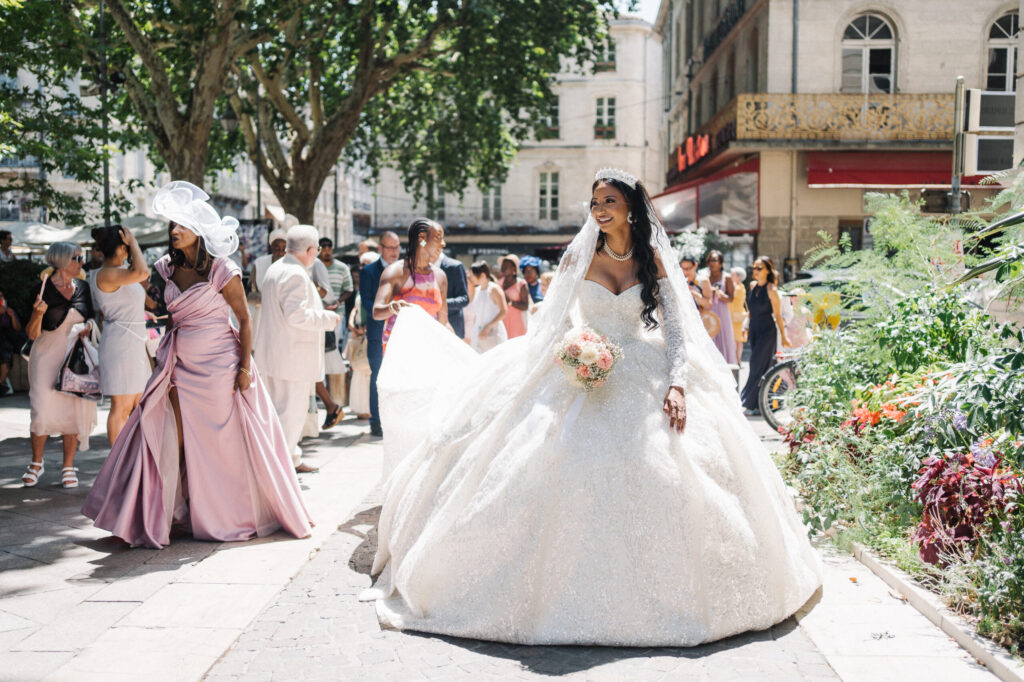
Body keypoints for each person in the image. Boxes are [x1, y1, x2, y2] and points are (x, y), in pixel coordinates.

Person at [364, 168, 820, 646]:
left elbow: (677, 329)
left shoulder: (653, 260)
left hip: (645, 367)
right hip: (582, 365)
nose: (599, 210)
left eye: (609, 201)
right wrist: (575, 351)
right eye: (595, 202)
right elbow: (554, 321)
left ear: (630, 207)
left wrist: (678, 383)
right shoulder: (578, 258)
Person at [82, 181, 312, 549]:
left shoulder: (222, 269)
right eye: (172, 224)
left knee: (218, 443)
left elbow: (245, 320)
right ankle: (172, 512)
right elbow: (173, 318)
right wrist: (163, 359)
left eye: (181, 225)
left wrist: (244, 368)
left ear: (199, 231)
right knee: (170, 437)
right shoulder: (166, 268)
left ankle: (226, 514)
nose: (174, 230)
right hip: (179, 364)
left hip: (221, 365)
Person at [256, 225, 341, 474]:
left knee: (281, 414)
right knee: (289, 416)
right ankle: (280, 470)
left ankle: (290, 459)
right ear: (311, 249)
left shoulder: (276, 269)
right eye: (316, 250)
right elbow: (296, 315)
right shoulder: (294, 273)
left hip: (277, 355)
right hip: (291, 358)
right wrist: (328, 319)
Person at [22, 242, 98, 489]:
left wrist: (88, 327)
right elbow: (31, 334)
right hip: (46, 355)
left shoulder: (83, 287)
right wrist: (37, 314)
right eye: (78, 258)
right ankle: (36, 463)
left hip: (74, 356)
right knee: (41, 408)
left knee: (72, 409)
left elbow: (91, 317)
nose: (82, 262)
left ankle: (68, 465)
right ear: (63, 261)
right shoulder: (40, 289)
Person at [88, 225, 152, 446]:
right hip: (121, 344)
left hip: (133, 340)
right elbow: (143, 273)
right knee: (121, 406)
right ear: (121, 248)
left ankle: (131, 455)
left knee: (136, 403)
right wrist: (134, 242)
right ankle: (117, 459)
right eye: (127, 247)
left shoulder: (120, 272)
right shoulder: (106, 273)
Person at [372, 219, 449, 353]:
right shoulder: (395, 272)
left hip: (431, 350)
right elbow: (376, 312)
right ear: (422, 238)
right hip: (401, 351)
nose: (443, 243)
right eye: (438, 237)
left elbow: (444, 322)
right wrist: (393, 307)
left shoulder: (440, 276)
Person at [360, 231, 400, 437]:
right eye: (390, 247)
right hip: (378, 332)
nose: (395, 251)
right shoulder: (368, 272)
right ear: (381, 248)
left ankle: (396, 419)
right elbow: (367, 301)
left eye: (397, 247)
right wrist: (386, 311)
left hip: (400, 332)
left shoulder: (404, 270)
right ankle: (376, 421)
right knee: (378, 376)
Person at [740, 256, 790, 416]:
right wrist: (745, 326)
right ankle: (765, 404)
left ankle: (752, 403)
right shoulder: (753, 286)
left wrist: (784, 337)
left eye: (759, 268)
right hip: (754, 330)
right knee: (762, 367)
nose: (755, 271)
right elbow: (750, 311)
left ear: (768, 270)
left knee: (755, 364)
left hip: (767, 332)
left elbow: (778, 315)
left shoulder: (771, 289)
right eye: (753, 268)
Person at [347, 252, 378, 419]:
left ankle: (369, 409)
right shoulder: (362, 286)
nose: (362, 267)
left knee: (367, 371)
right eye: (361, 263)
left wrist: (365, 328)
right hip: (358, 332)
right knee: (359, 370)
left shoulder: (376, 283)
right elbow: (356, 308)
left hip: (368, 332)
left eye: (366, 263)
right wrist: (352, 324)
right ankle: (361, 408)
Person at [466, 260, 508, 352]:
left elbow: (504, 311)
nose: (471, 278)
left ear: (482, 275)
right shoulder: (477, 290)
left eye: (472, 275)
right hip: (478, 333)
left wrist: (488, 327)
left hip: (494, 333)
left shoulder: (494, 289)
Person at [704, 250, 737, 365]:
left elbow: (731, 298)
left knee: (724, 337)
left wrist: (722, 295)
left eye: (714, 260)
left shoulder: (726, 278)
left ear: (721, 263)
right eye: (709, 260)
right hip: (708, 311)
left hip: (722, 312)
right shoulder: (705, 277)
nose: (711, 263)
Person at [436, 247, 469, 340]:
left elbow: (464, 299)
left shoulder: (455, 266)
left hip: (452, 327)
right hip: (430, 327)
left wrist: (440, 303)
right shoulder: (421, 268)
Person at [0, 289, 26, 395]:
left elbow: (17, 328)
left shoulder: (9, 311)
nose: (0, 298)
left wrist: (12, 316)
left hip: (7, 340)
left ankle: (1, 383)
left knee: (6, 355)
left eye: (1, 296)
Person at [498, 254, 529, 338]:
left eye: (506, 265)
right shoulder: (499, 283)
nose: (503, 268)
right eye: (503, 265)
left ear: (513, 268)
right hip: (502, 323)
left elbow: (525, 306)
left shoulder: (521, 284)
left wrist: (510, 302)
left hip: (517, 324)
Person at [728, 266, 748, 362]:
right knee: (735, 340)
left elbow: (730, 295)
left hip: (736, 316)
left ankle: (737, 360)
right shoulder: (739, 286)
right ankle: (735, 359)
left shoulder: (739, 287)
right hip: (733, 315)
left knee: (738, 340)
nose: (731, 276)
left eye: (733, 275)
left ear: (739, 277)